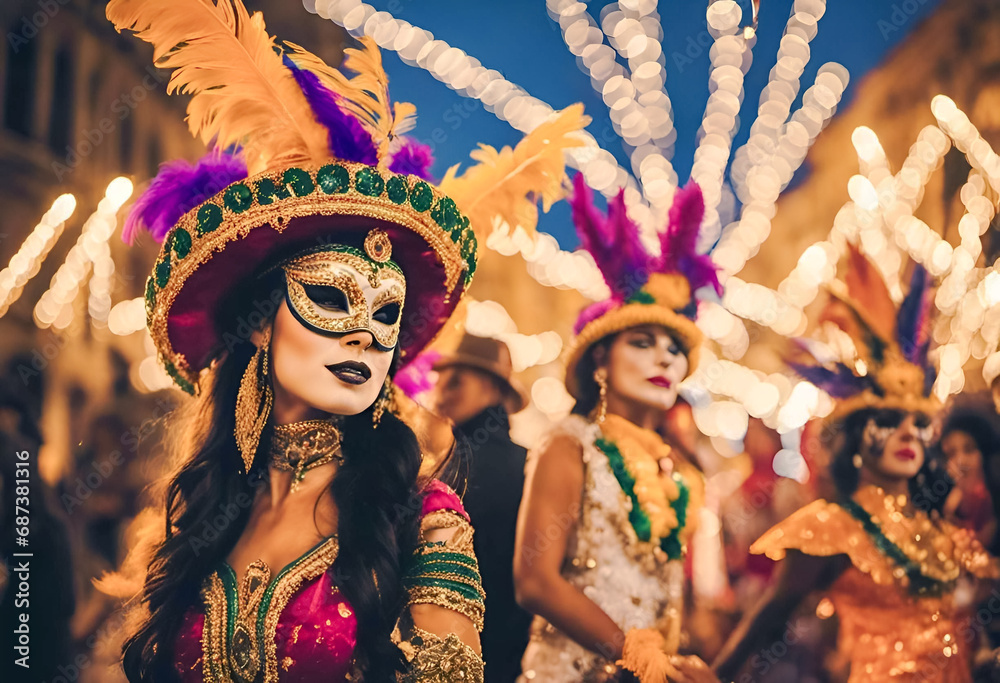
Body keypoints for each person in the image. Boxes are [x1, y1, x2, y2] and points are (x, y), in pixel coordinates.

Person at [102, 1, 586, 679]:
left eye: (388, 316)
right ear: (261, 325)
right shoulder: (203, 509)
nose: (366, 331)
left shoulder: (423, 519)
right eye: (331, 297)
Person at [713, 246, 999, 683]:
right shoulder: (833, 528)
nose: (908, 433)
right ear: (855, 439)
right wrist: (716, 675)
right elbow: (771, 616)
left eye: (918, 422)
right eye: (888, 421)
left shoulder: (936, 524)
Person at [514, 174, 720, 682]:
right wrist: (631, 651)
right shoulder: (570, 444)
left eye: (674, 349)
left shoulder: (677, 466)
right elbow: (534, 580)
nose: (664, 359)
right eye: (643, 342)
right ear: (601, 360)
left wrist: (679, 659)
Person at [431, 333, 533, 682]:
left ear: (492, 389)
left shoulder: (450, 467)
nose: (440, 394)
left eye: (455, 382)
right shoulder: (527, 462)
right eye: (440, 382)